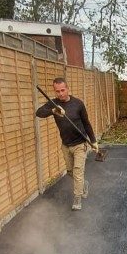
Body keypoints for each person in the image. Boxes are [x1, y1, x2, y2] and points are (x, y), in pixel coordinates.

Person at [36, 77, 99, 211]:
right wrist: (53, 111)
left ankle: (77, 198)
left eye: (63, 90)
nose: (60, 93)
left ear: (67, 89)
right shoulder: (53, 104)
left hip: (80, 144)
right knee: (70, 171)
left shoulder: (78, 104)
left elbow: (86, 124)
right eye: (57, 91)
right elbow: (39, 113)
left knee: (77, 171)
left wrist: (93, 141)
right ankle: (84, 184)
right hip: (66, 144)